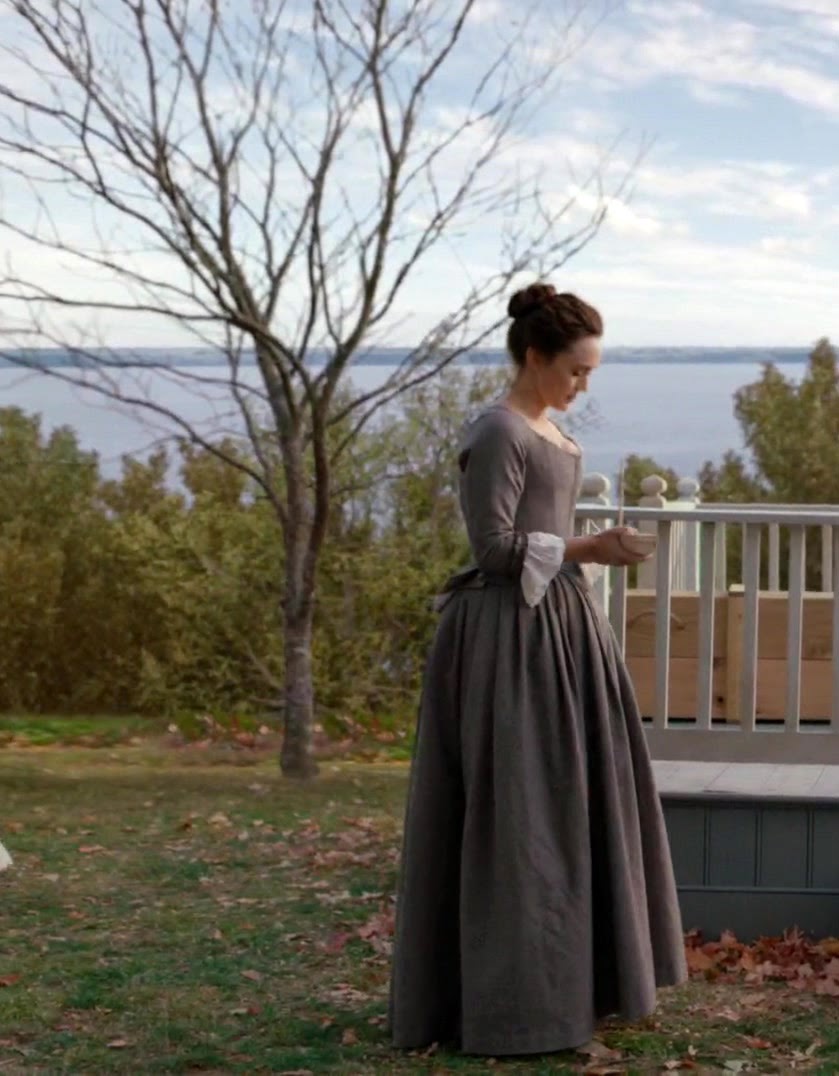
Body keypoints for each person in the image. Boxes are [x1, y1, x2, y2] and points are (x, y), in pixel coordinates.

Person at [389, 283, 686, 1057]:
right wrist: (590, 548)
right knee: (519, 820)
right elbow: (491, 548)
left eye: (589, 373)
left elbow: (542, 530)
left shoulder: (552, 434)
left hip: (561, 631)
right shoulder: (497, 431)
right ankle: (514, 1009)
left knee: (568, 809)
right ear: (533, 355)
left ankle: (574, 990)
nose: (581, 385)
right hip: (507, 641)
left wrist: (593, 548)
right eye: (574, 370)